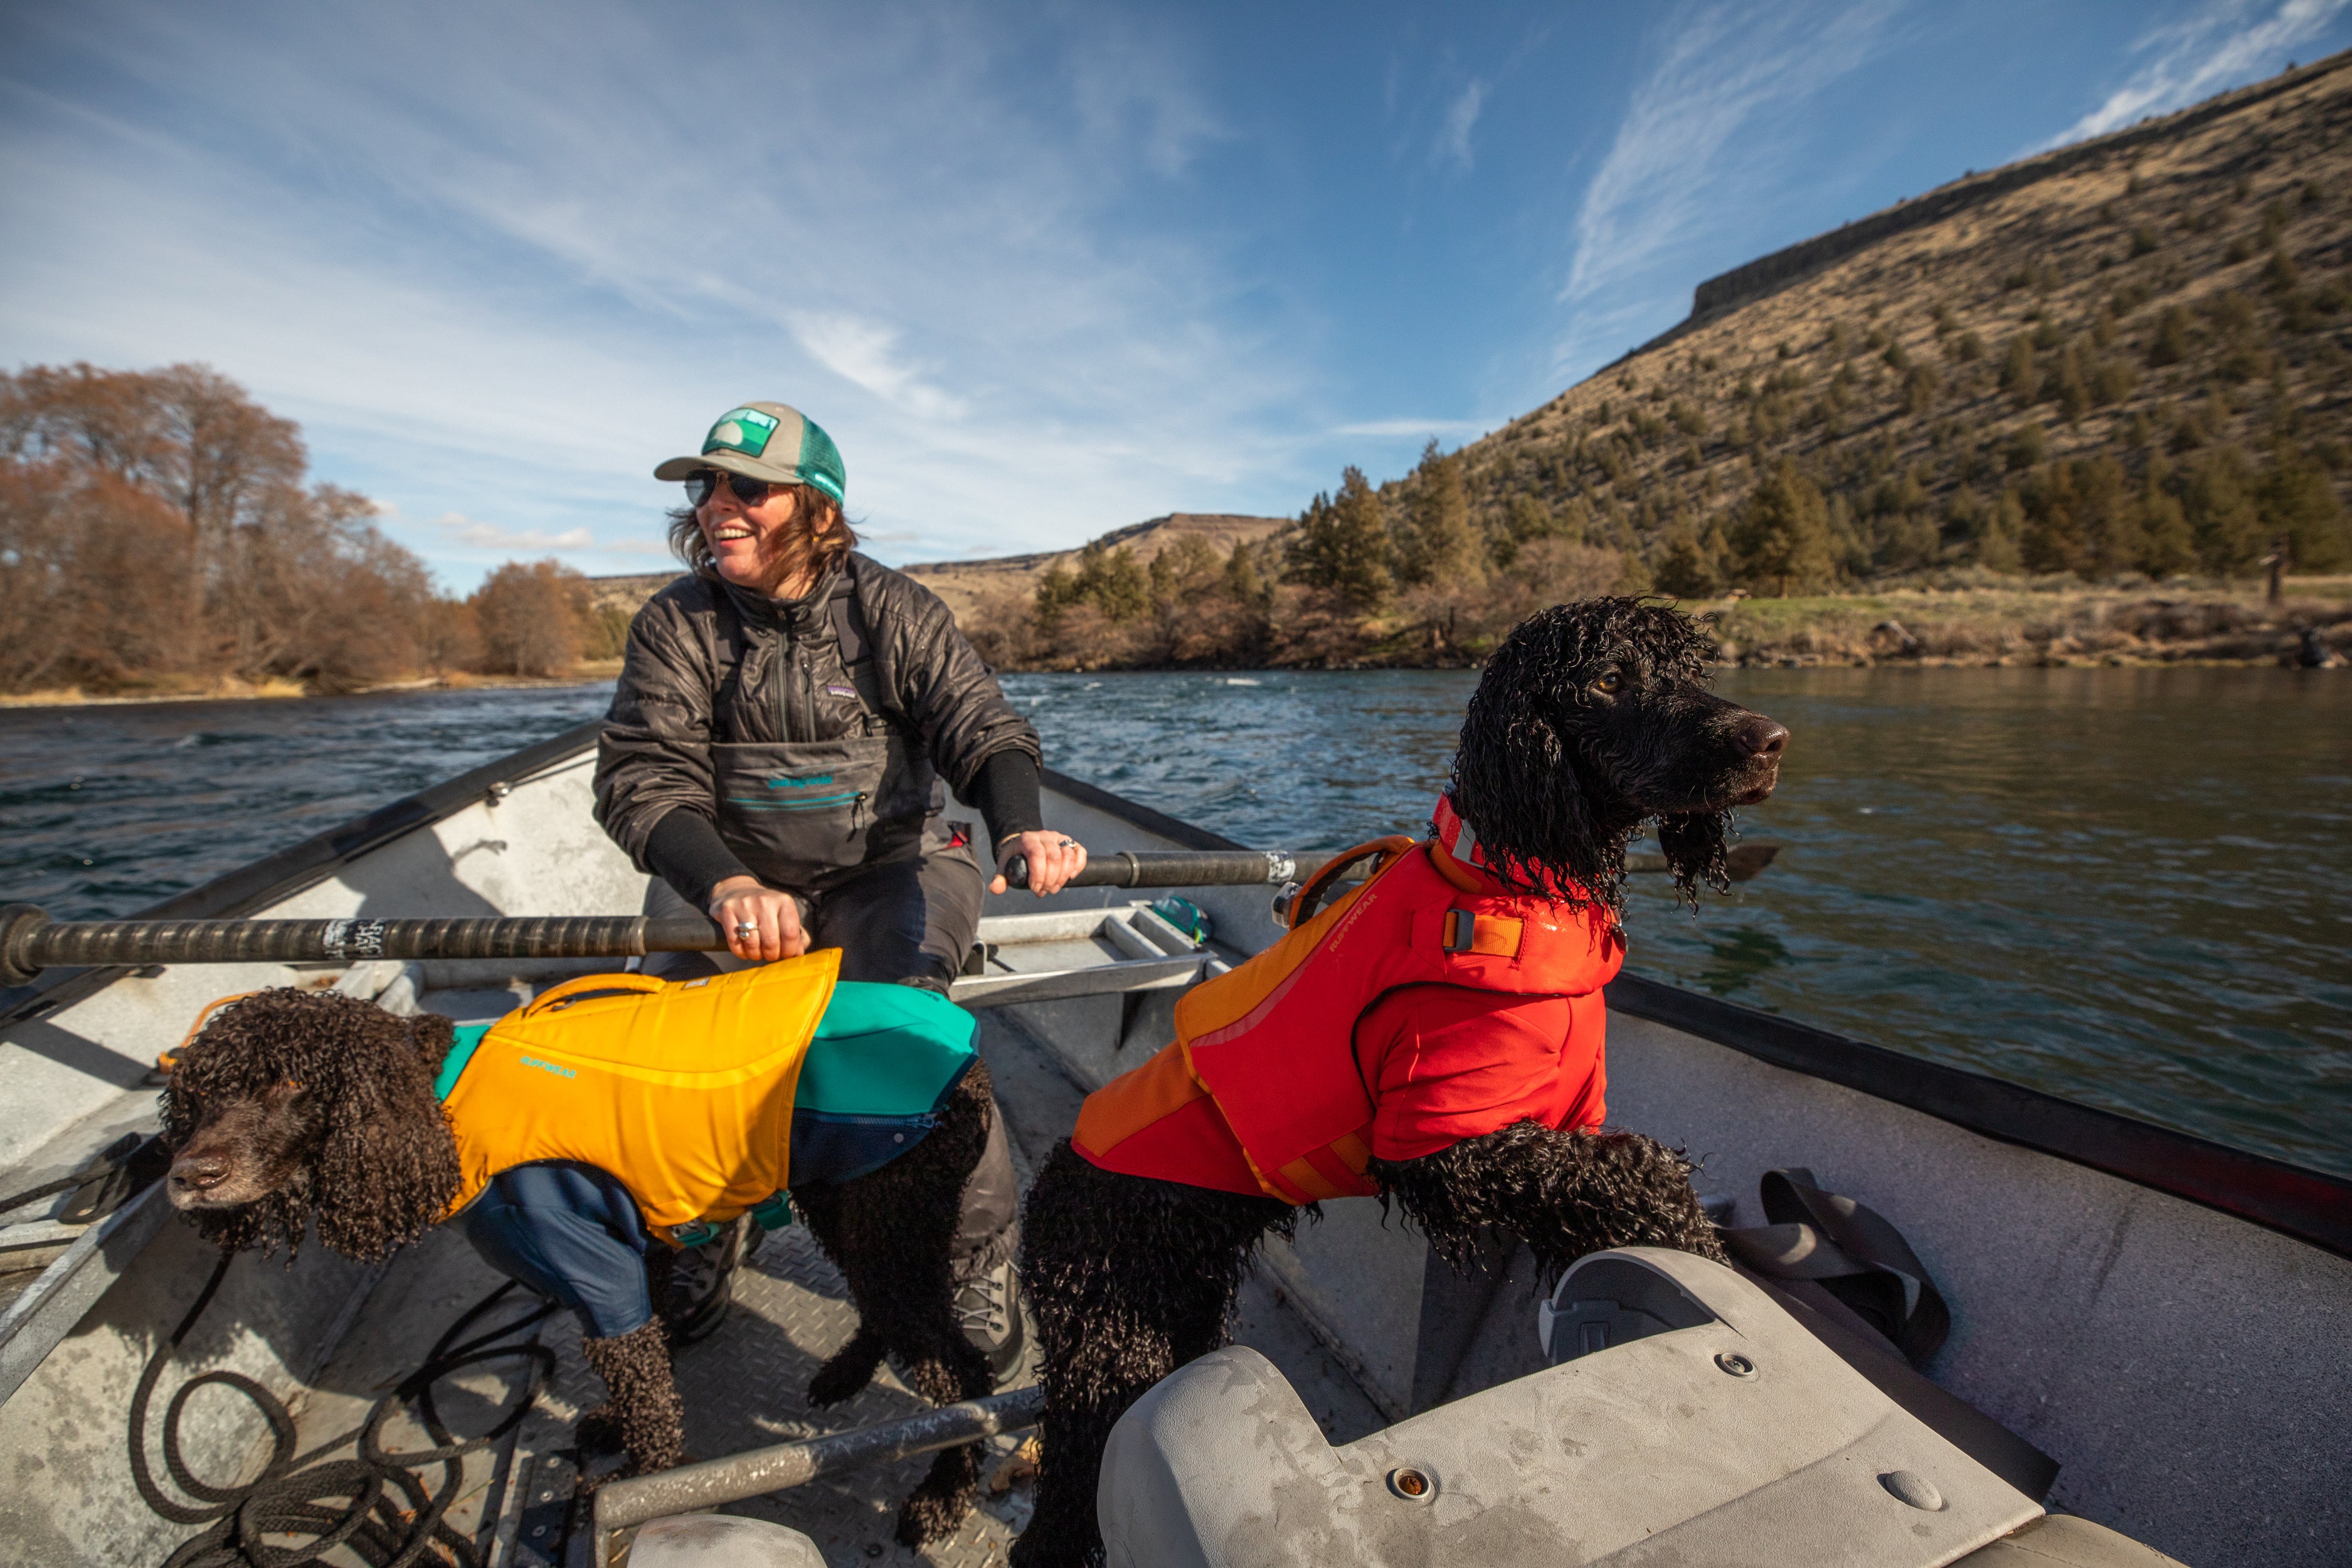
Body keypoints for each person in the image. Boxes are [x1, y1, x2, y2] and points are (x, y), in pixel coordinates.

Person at [593, 400, 1086, 1375]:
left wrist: (1021, 821)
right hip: (730, 880)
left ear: (817, 507)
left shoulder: (896, 609)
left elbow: (981, 729)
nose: (716, 507)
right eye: (707, 487)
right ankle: (695, 1239)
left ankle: (972, 1263)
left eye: (747, 488)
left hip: (892, 864)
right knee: (673, 1046)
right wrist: (726, 881)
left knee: (907, 1038)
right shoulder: (674, 623)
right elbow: (642, 779)